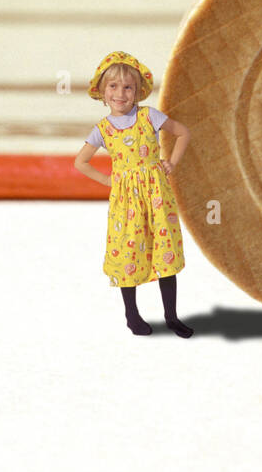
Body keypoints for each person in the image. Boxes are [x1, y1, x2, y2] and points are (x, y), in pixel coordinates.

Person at [74, 51, 195, 336]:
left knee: (164, 250)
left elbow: (183, 132)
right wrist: (107, 181)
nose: (120, 93)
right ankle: (132, 314)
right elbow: (80, 161)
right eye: (113, 87)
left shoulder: (148, 116)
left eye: (128, 87)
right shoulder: (102, 129)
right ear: (102, 93)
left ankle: (171, 316)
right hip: (126, 200)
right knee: (128, 249)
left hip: (156, 195)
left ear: (138, 91)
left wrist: (171, 162)